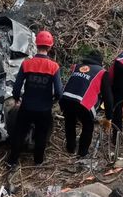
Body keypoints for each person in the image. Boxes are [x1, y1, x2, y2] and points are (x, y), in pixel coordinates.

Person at [7, 31, 62, 168]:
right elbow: (59, 91)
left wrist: (16, 98)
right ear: (50, 47)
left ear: (36, 45)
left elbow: (17, 87)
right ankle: (38, 162)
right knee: (41, 135)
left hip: (26, 106)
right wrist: (53, 101)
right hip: (44, 108)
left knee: (19, 133)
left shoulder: (27, 64)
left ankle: (12, 161)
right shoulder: (54, 67)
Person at [60, 50, 114, 157]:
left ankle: (70, 148)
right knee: (88, 126)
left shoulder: (76, 67)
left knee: (69, 122)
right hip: (82, 103)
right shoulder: (102, 72)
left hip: (66, 99)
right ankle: (82, 153)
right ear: (100, 62)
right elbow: (108, 97)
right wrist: (109, 117)